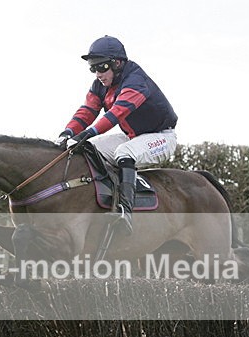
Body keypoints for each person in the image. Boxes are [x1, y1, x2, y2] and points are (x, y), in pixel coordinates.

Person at [57, 35, 178, 235]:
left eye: (102, 67)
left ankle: (125, 213)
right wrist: (67, 132)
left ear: (117, 63)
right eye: (93, 68)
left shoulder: (136, 80)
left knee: (124, 152)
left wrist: (85, 134)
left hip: (161, 136)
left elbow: (116, 114)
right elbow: (87, 111)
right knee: (89, 149)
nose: (97, 74)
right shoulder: (100, 86)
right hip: (134, 136)